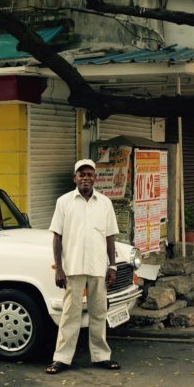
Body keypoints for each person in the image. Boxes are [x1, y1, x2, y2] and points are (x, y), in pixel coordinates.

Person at [46, 159, 121, 374]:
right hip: (73, 268)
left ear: (95, 178)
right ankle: (61, 359)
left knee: (99, 312)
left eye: (89, 174)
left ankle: (101, 356)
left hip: (98, 267)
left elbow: (110, 237)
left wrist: (112, 267)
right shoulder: (64, 202)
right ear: (75, 178)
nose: (86, 177)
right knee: (71, 314)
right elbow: (57, 237)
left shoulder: (105, 203)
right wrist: (59, 268)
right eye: (81, 174)